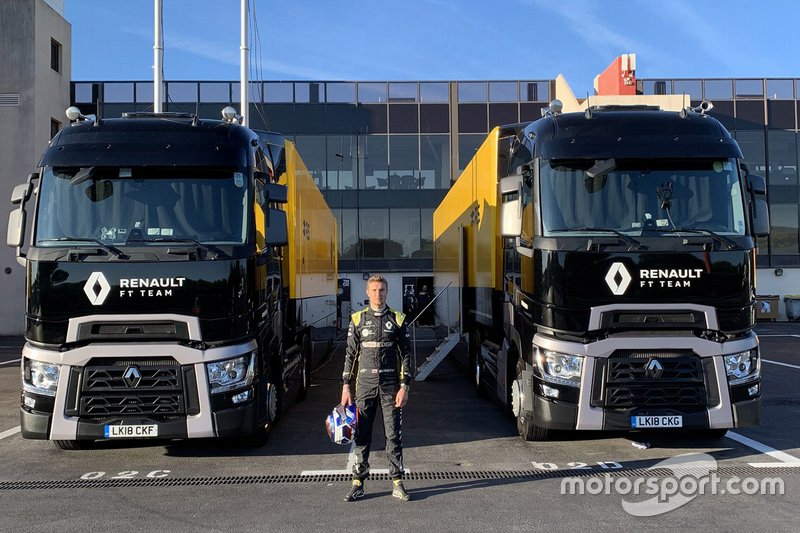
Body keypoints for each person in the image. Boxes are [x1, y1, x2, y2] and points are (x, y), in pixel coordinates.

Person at [341, 274, 413, 502]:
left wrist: (405, 386)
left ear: (386, 292)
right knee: (361, 435)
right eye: (373, 290)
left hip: (390, 387)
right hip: (365, 386)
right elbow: (350, 355)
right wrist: (346, 386)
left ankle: (397, 482)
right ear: (367, 292)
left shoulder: (398, 319)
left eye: (381, 290)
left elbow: (406, 356)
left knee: (393, 436)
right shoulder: (357, 319)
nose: (377, 294)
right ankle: (358, 482)